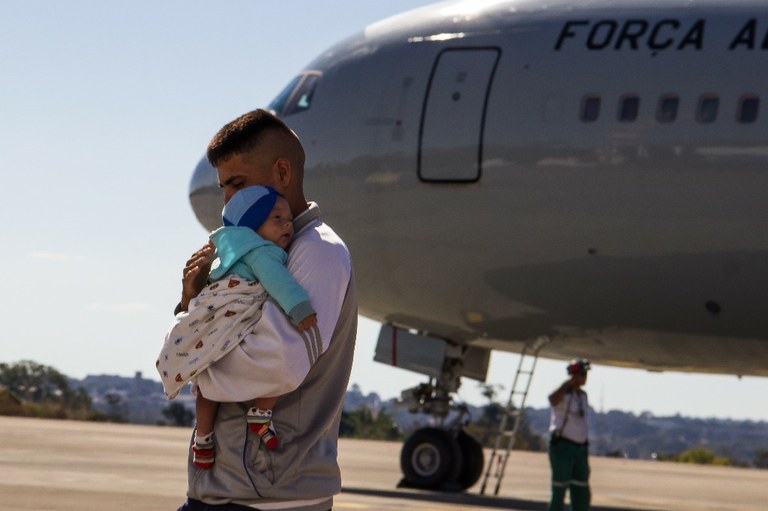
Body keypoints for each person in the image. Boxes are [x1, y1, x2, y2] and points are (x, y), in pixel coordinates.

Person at [176, 109, 357, 511]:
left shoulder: (318, 252)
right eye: (224, 188)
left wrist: (196, 367)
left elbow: (275, 365)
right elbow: (189, 348)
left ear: (282, 173)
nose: (228, 202)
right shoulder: (262, 253)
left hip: (268, 495)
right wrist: (192, 300)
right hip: (232, 490)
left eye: (237, 184)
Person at [157, 185, 318, 467]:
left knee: (206, 388)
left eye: (288, 218)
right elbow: (280, 283)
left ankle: (203, 439)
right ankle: (261, 412)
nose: (288, 224)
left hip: (215, 320)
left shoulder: (229, 254)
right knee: (282, 365)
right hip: (236, 317)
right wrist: (299, 309)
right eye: (276, 219)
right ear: (252, 226)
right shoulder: (262, 252)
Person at [547, 358, 592, 511]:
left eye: (585, 374)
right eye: (581, 374)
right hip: (563, 447)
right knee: (559, 488)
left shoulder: (583, 396)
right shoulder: (563, 393)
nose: (585, 377)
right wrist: (567, 384)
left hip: (580, 449)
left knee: (581, 489)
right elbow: (552, 400)